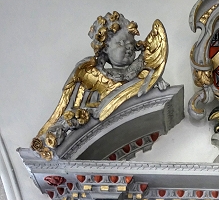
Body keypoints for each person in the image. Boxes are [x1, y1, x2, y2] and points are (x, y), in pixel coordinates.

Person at [31, 11, 168, 159]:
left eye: (130, 43)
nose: (128, 47)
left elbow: (146, 79)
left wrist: (154, 80)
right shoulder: (94, 74)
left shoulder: (142, 71)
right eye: (121, 43)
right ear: (105, 49)